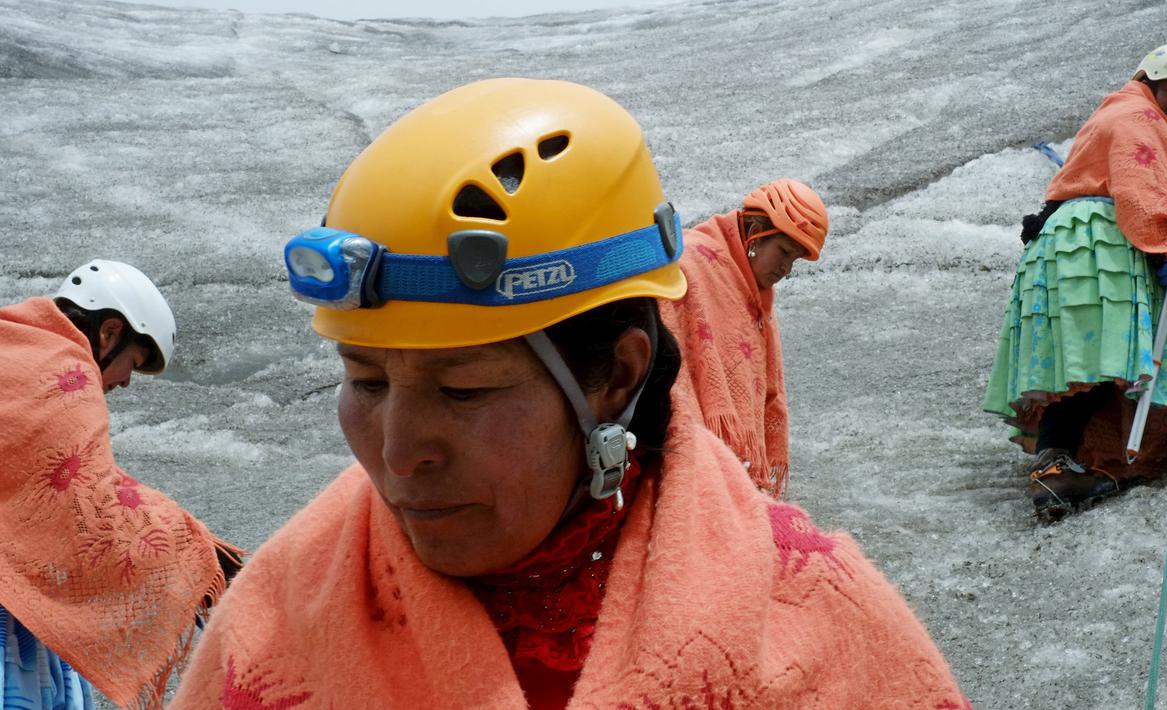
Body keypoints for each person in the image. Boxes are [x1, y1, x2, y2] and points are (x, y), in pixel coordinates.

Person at [171, 78, 967, 709]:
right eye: (364, 379)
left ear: (616, 376)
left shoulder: (809, 627)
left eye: (464, 388)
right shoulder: (284, 616)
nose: (398, 451)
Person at [984, 43, 1167, 521]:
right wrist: (1166, 246)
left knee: (1081, 357)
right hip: (1102, 243)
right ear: (1150, 81)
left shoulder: (1117, 110)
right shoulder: (1139, 119)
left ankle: (1054, 465)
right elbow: (1141, 192)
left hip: (1063, 244)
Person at [0, 260, 242, 709]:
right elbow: (92, 512)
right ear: (109, 333)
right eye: (134, 361)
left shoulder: (13, 345)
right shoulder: (65, 376)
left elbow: (56, 482)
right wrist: (197, 558)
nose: (127, 381)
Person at [661, 179, 827, 497]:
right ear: (754, 231)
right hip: (683, 445)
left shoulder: (753, 290)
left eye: (793, 260)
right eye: (784, 252)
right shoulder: (692, 265)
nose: (786, 268)